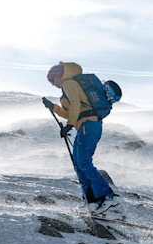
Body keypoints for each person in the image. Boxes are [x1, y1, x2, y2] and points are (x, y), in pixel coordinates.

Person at [42, 61, 117, 212]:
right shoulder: (68, 87)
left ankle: (108, 197)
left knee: (83, 162)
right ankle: (91, 200)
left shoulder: (68, 83)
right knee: (79, 164)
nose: (52, 83)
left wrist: (69, 125)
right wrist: (53, 107)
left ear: (58, 75)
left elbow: (76, 105)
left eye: (52, 79)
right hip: (86, 125)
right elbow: (72, 112)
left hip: (88, 125)